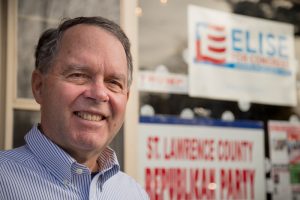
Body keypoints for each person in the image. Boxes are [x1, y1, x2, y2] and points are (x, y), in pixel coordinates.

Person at [0, 16, 149, 200]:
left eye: (113, 82)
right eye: (79, 75)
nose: (99, 94)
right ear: (39, 86)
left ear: (126, 98)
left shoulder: (134, 194)